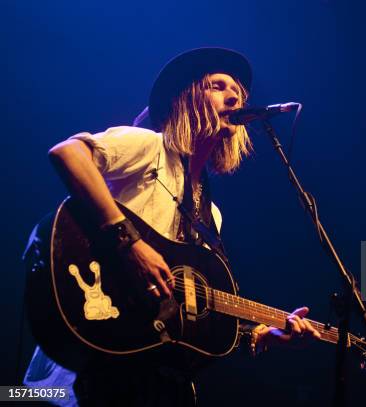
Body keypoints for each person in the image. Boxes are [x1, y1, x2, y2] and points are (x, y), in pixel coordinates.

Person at [23, 47, 320, 406]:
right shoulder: (150, 146)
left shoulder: (212, 213)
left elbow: (189, 300)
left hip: (150, 370)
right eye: (217, 86)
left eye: (238, 93)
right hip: (95, 345)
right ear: (188, 98)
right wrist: (129, 242)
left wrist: (261, 334)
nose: (234, 96)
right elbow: (67, 153)